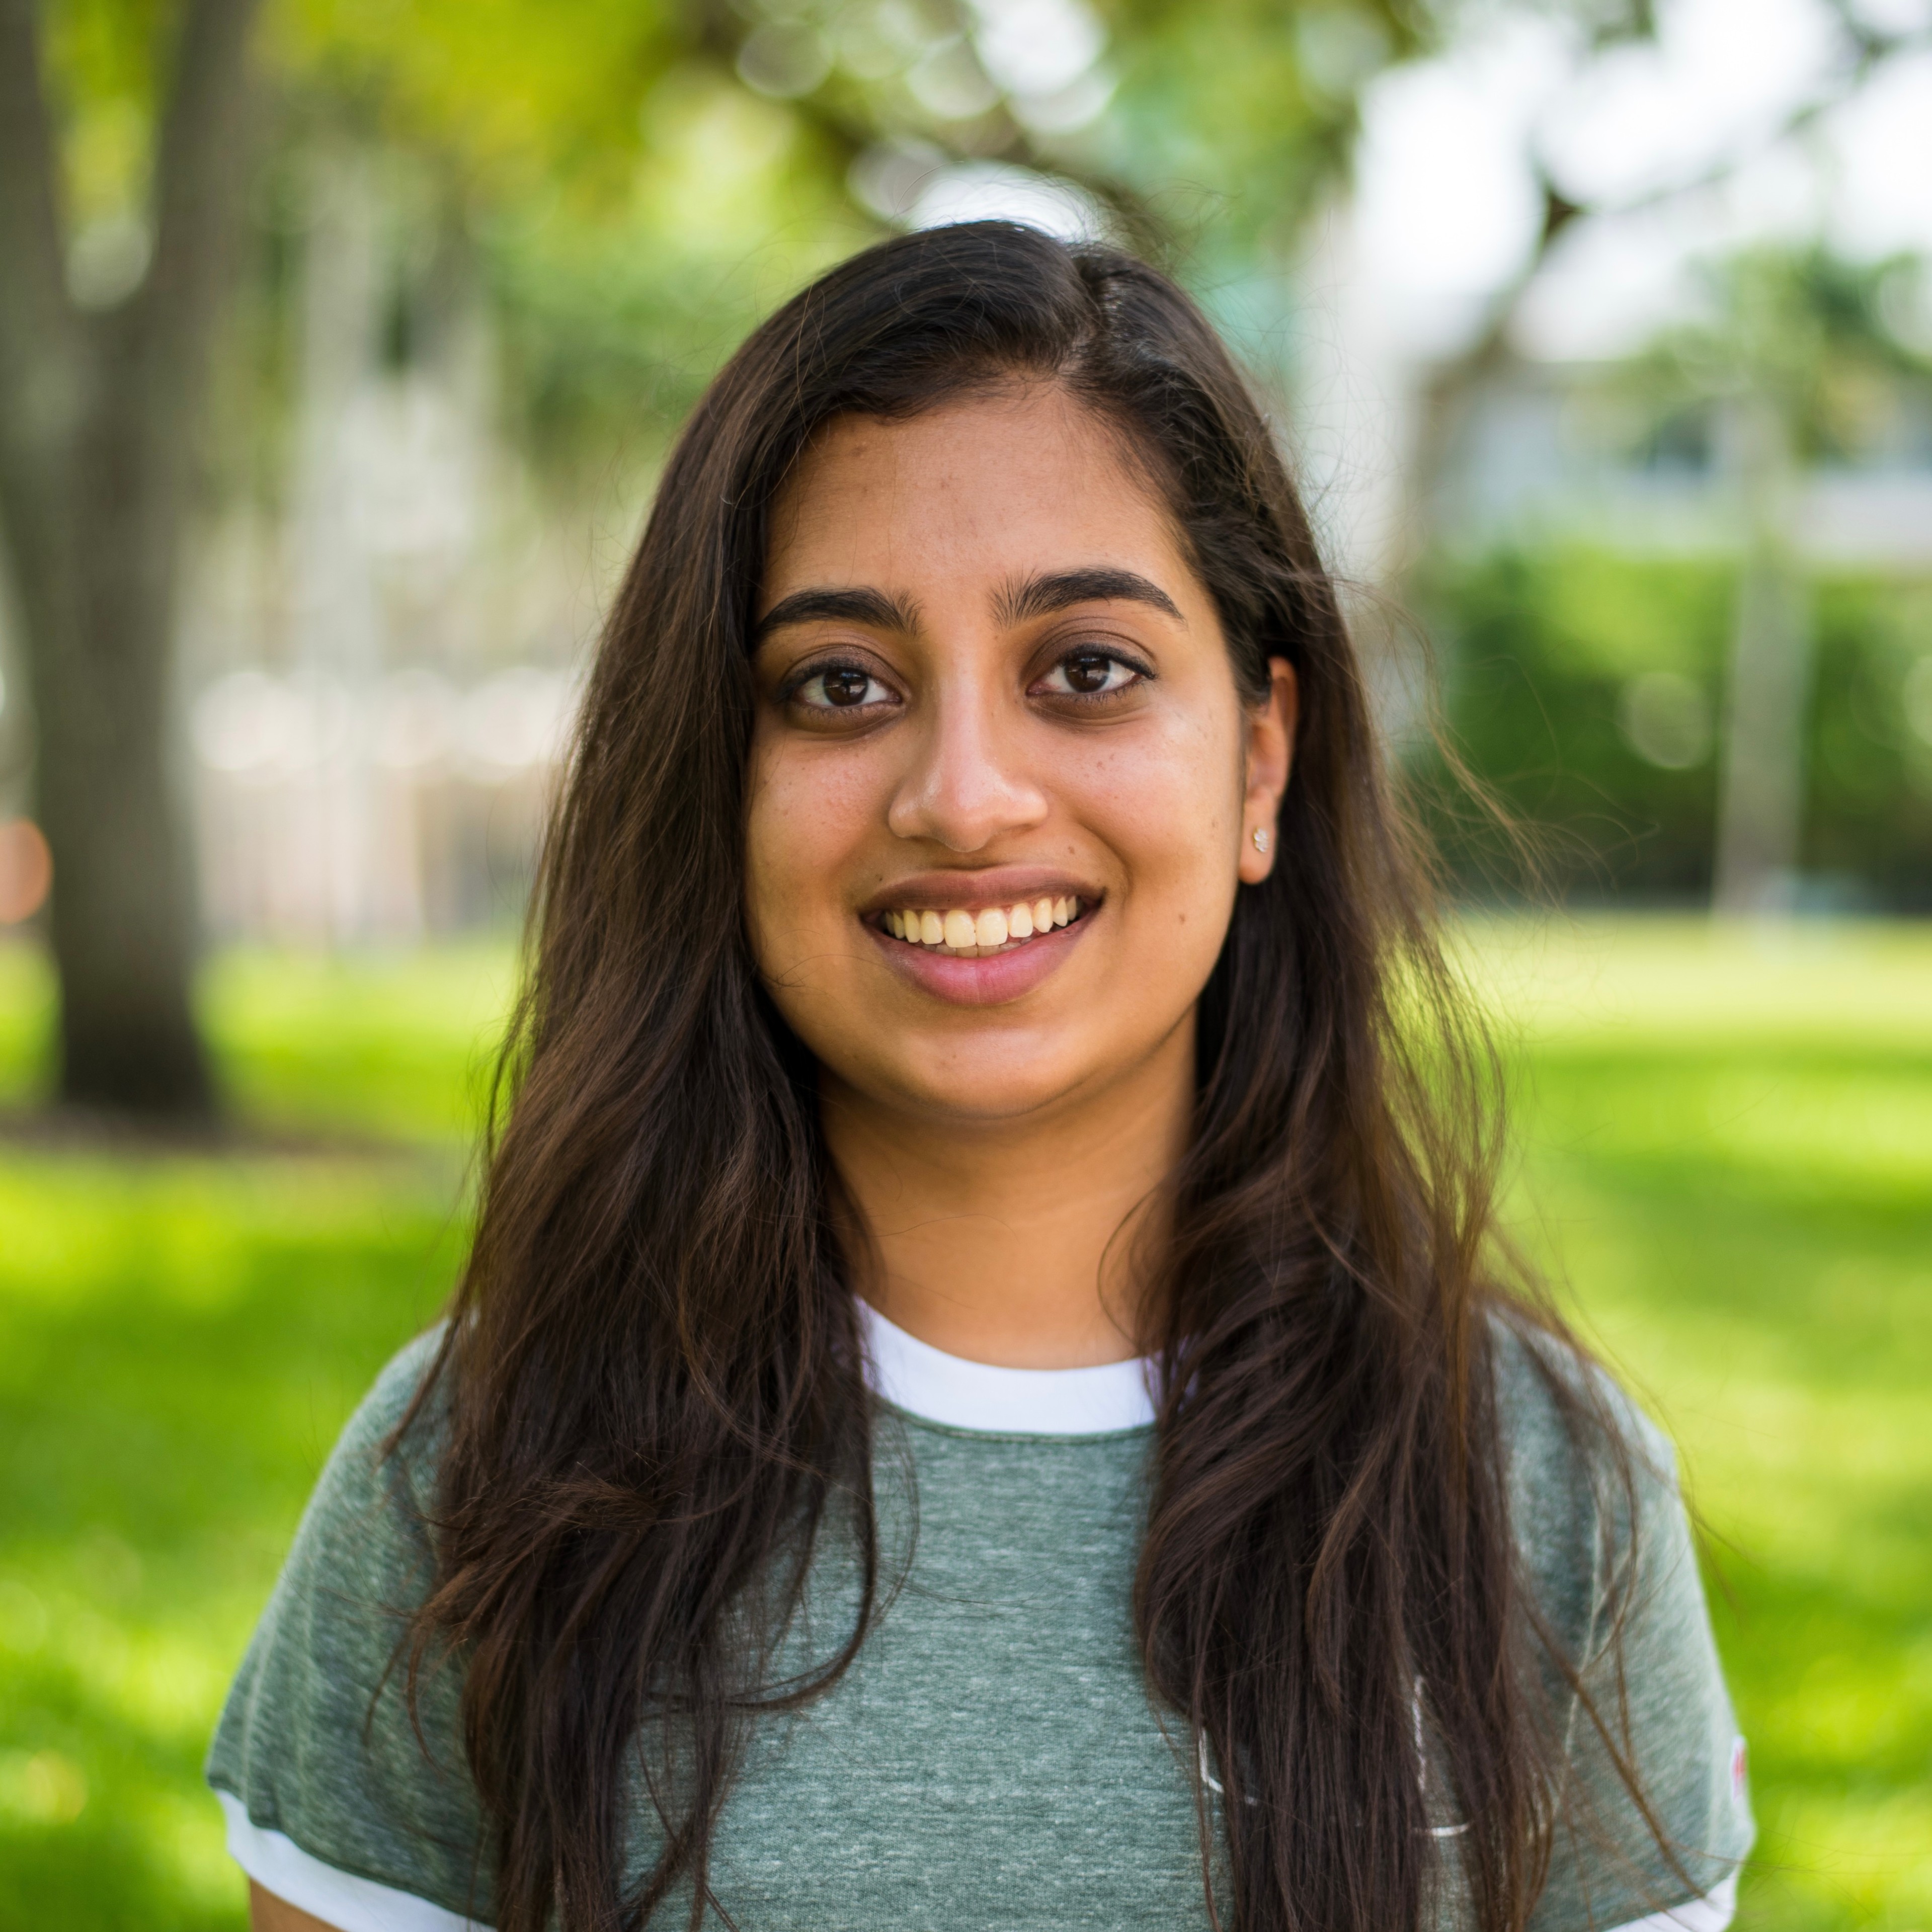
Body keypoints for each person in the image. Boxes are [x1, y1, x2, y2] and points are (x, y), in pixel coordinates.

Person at [207, 221, 1753, 1932]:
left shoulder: (1543, 1493)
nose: (961, 794)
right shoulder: (477, 1469)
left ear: (1261, 758)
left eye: (1087, 670)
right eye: (840, 685)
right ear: (718, 776)